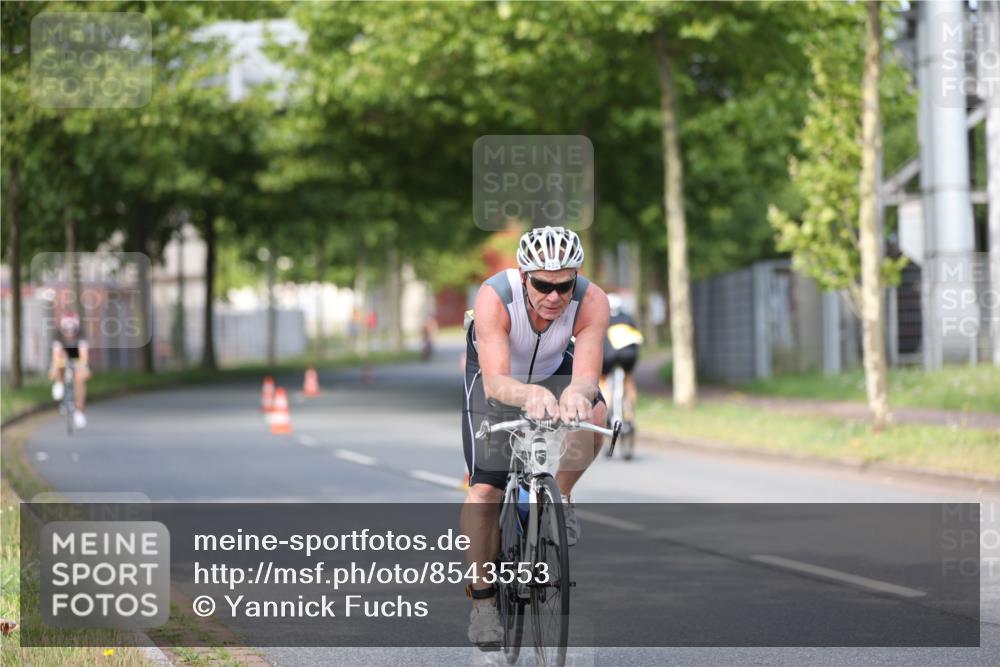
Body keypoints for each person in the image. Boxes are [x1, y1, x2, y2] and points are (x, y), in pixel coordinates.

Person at [460, 226, 609, 648]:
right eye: (543, 285)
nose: (555, 297)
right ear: (524, 277)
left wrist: (577, 398)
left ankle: (558, 497)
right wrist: (530, 396)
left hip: (552, 370)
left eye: (565, 286)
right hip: (497, 379)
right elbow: (496, 385)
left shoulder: (593, 301)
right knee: (486, 491)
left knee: (595, 409)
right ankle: (484, 605)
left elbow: (585, 377)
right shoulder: (494, 297)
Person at [600, 293, 644, 424]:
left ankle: (606, 411)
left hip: (608, 356)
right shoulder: (628, 318)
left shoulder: (602, 317)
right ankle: (630, 411)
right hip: (628, 356)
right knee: (628, 378)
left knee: (602, 380)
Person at [48, 313, 91, 429]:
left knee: (80, 379)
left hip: (77, 356)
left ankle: (79, 411)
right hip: (63, 355)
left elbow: (84, 355)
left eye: (72, 331)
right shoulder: (57, 335)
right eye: (66, 330)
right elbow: (56, 355)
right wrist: (55, 368)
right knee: (56, 365)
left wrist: (83, 367)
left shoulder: (81, 334)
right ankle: (59, 383)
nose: (69, 334)